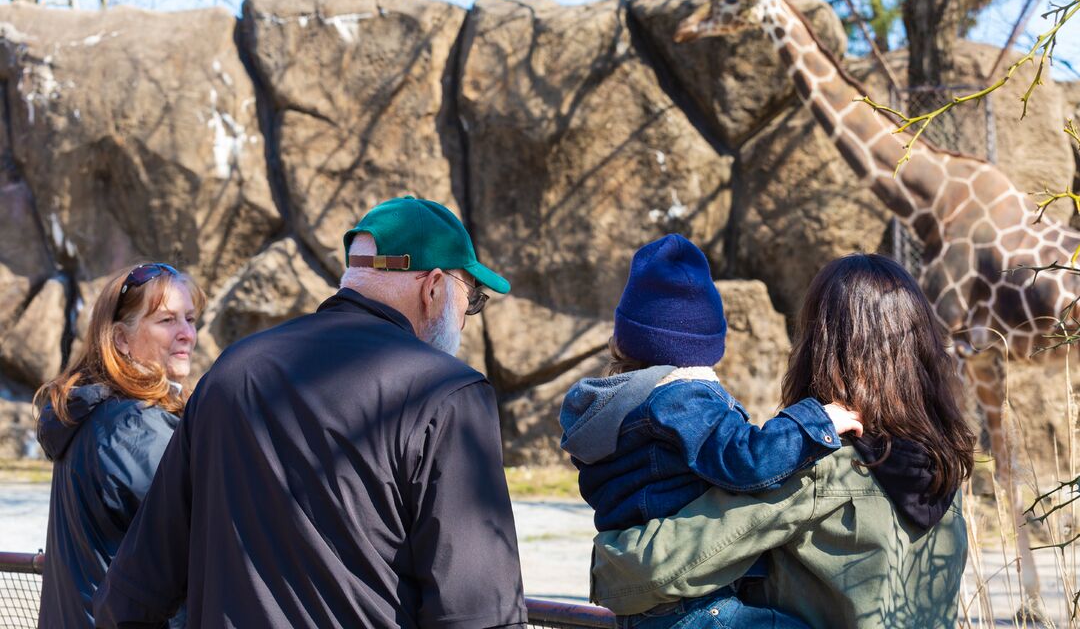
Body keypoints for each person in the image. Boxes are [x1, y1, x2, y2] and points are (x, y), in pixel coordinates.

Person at [93, 196, 528, 629]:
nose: (466, 320)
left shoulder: (232, 371)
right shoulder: (445, 392)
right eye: (470, 300)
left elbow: (133, 592)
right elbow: (480, 614)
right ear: (432, 288)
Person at [590, 253, 976, 628]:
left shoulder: (818, 468)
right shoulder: (946, 469)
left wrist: (606, 561)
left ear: (818, 347)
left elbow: (653, 569)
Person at [559, 234, 864, 629]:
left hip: (645, 601)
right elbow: (745, 459)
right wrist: (818, 422)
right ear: (707, 345)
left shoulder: (616, 408)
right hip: (694, 604)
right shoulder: (682, 398)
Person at [35, 262, 205, 628]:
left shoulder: (91, 415)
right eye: (166, 321)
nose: (187, 334)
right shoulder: (134, 431)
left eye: (190, 319)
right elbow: (209, 542)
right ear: (121, 340)